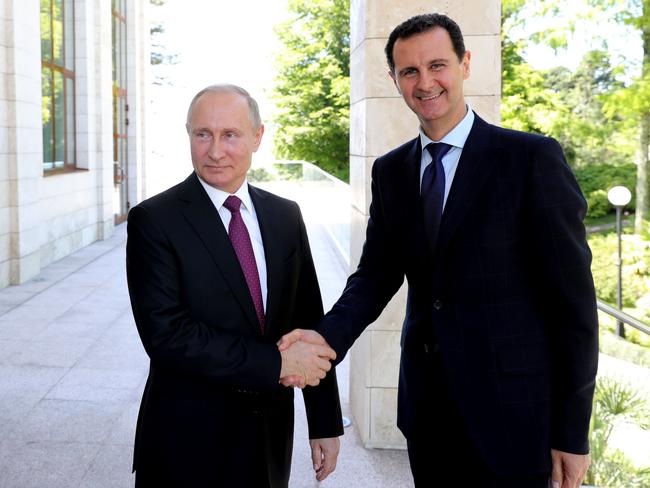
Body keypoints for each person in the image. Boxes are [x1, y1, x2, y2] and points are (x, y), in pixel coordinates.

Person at [279, 13, 598, 488]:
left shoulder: (530, 159)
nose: (425, 82)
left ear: (465, 64)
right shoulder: (391, 172)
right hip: (428, 412)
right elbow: (375, 275)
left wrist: (572, 432)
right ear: (394, 78)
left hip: (515, 418)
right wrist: (326, 340)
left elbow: (573, 307)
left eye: (437, 65)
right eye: (409, 71)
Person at [126, 84, 343, 488]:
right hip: (186, 443)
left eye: (230, 135)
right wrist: (276, 364)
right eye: (202, 134)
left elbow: (309, 322)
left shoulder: (285, 216)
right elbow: (167, 335)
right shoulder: (154, 220)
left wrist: (324, 421)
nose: (215, 150)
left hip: (267, 440)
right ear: (188, 135)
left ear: (258, 137)